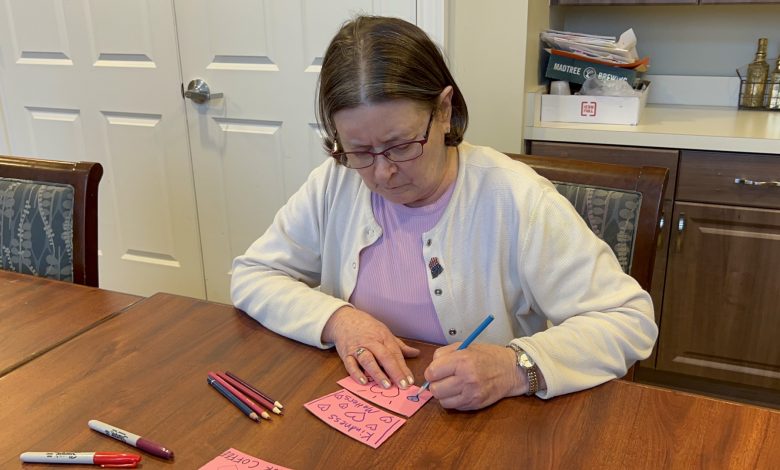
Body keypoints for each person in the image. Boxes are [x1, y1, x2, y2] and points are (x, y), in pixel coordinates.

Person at [231, 15, 657, 411]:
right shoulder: (336, 181)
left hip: (482, 424)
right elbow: (253, 275)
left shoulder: (517, 199)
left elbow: (628, 321)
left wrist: (516, 368)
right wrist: (338, 320)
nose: (383, 172)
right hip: (373, 407)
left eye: (400, 145)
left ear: (444, 111)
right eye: (359, 151)